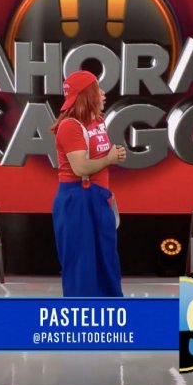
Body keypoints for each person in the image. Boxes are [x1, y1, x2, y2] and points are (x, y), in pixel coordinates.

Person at [51, 70, 126, 297]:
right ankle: (80, 311)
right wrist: (110, 159)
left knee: (106, 258)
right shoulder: (70, 126)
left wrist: (113, 156)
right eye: (97, 89)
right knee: (81, 263)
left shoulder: (98, 121)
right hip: (77, 199)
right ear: (87, 95)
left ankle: (112, 310)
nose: (103, 93)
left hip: (99, 196)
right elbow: (81, 168)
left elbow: (98, 156)